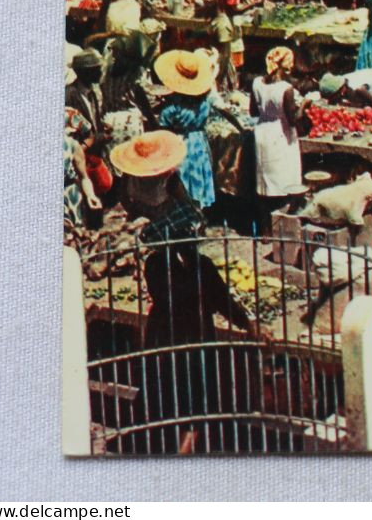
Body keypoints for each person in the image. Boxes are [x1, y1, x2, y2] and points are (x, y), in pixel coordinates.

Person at [110, 129, 261, 454]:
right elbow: (214, 288)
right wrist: (245, 321)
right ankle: (183, 445)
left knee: (168, 388)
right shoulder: (191, 246)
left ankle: (172, 443)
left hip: (167, 328)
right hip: (192, 328)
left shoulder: (153, 250)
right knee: (192, 391)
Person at [153, 50, 221, 209]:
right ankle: (199, 212)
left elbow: (163, 128)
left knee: (182, 180)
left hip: (180, 143)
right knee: (198, 176)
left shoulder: (172, 107)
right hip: (198, 142)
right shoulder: (204, 101)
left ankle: (184, 213)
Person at [252, 47, 303, 204]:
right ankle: (282, 213)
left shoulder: (257, 83)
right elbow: (293, 119)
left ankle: (266, 222)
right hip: (281, 135)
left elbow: (253, 112)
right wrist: (305, 104)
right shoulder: (286, 89)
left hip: (262, 133)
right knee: (284, 178)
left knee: (265, 180)